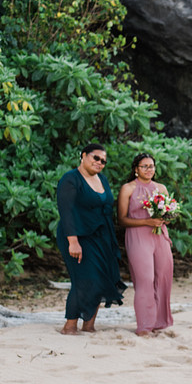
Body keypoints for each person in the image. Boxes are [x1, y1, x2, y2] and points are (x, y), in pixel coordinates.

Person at [56, 143, 126, 335]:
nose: (100, 163)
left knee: (102, 278)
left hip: (101, 237)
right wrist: (73, 241)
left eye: (103, 161)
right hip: (78, 236)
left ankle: (89, 324)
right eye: (96, 158)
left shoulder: (102, 179)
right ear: (84, 155)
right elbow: (66, 211)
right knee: (85, 279)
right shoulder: (70, 179)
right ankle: (70, 325)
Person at [117, 152, 174, 336]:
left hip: (159, 237)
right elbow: (122, 220)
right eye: (145, 166)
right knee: (145, 280)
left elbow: (169, 215)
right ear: (136, 169)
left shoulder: (161, 188)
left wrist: (166, 216)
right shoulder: (128, 189)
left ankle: (159, 323)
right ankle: (144, 326)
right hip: (138, 237)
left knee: (163, 278)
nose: (149, 169)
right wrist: (146, 222)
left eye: (152, 166)